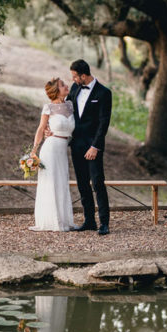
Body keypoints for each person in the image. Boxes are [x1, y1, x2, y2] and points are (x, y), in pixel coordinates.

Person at [67, 59, 112, 235]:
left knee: (98, 183)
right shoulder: (74, 89)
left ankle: (104, 223)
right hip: (76, 145)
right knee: (82, 184)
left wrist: (95, 146)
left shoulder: (104, 93)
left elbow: (104, 123)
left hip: (93, 147)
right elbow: (66, 111)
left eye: (74, 76)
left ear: (83, 75)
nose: (73, 80)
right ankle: (89, 221)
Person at [29, 78, 75, 232]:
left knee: (62, 182)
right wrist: (33, 151)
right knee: (50, 183)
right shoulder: (48, 108)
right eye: (63, 85)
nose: (66, 86)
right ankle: (50, 220)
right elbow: (41, 129)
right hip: (50, 148)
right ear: (56, 90)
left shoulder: (70, 105)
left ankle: (63, 219)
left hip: (63, 149)